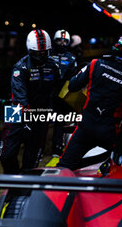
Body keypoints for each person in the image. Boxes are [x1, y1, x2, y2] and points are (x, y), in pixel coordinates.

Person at [57, 32, 122, 170]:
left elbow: (72, 86)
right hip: (109, 135)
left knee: (64, 167)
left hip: (84, 129)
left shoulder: (95, 64)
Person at [0, 29, 59, 174]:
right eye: (38, 53)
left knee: (32, 158)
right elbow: (20, 95)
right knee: (6, 155)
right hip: (16, 111)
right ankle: (13, 177)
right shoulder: (20, 67)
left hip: (40, 113)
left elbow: (57, 91)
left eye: (45, 52)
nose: (42, 56)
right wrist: (27, 119)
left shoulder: (53, 66)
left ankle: (25, 182)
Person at [50, 29, 77, 157]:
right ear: (55, 41)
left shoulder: (72, 58)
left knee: (59, 122)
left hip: (61, 95)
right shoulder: (47, 54)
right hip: (47, 92)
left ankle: (56, 148)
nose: (62, 43)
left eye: (64, 41)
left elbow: (73, 77)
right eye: (59, 40)